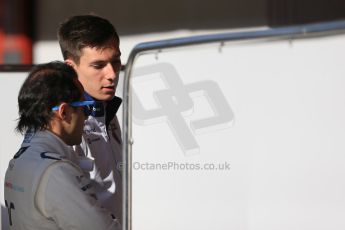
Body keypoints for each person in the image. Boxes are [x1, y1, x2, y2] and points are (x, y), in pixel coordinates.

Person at [4, 62, 120, 230]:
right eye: (85, 108)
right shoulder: (55, 172)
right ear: (63, 112)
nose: (86, 117)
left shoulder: (20, 160)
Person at [57, 15, 123, 222]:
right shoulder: (61, 124)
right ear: (70, 67)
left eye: (116, 61)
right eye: (98, 65)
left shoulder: (106, 108)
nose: (111, 74)